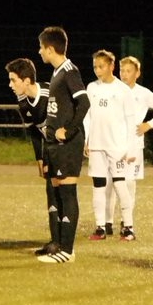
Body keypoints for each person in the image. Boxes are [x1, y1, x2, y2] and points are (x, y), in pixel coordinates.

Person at [36, 26, 89, 263]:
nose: (39, 52)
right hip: (56, 145)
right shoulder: (58, 72)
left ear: (50, 48)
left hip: (68, 144)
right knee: (58, 192)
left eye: (41, 47)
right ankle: (59, 245)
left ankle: (67, 251)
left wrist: (68, 130)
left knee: (68, 193)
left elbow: (84, 103)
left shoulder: (70, 70)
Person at [82, 50, 139, 242]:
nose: (97, 70)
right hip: (97, 145)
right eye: (95, 67)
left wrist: (130, 147)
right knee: (98, 185)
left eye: (101, 66)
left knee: (120, 185)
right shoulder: (91, 88)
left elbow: (131, 120)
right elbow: (88, 116)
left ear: (111, 66)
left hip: (116, 147)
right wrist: (87, 139)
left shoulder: (123, 90)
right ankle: (100, 227)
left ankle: (128, 227)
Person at [4, 57, 56, 255]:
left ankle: (62, 242)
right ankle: (56, 240)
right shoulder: (22, 100)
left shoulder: (49, 94)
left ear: (26, 80)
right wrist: (40, 159)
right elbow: (34, 130)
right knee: (51, 190)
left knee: (61, 191)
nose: (10, 85)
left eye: (13, 80)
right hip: (51, 146)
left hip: (65, 144)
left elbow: (60, 125)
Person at [118, 55, 153, 240]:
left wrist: (148, 124)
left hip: (133, 144)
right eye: (122, 70)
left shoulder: (143, 93)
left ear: (137, 73)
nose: (124, 74)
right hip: (114, 143)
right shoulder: (114, 90)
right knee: (112, 184)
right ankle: (106, 224)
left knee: (129, 183)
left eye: (128, 71)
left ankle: (127, 224)